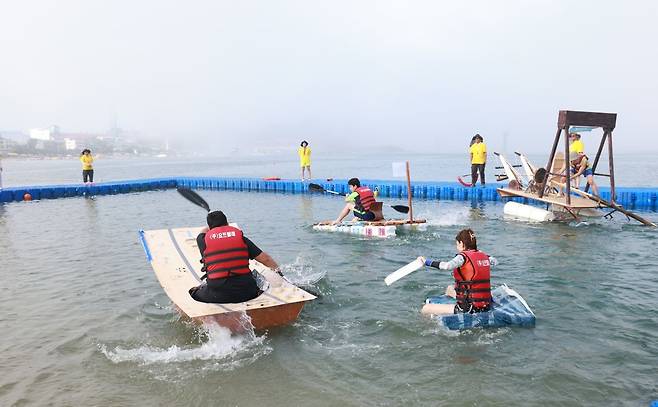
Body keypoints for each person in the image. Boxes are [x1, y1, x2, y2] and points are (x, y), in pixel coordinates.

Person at [189, 210, 282, 304]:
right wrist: (280, 273)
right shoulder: (241, 238)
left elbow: (203, 232)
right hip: (248, 293)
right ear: (227, 223)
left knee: (193, 292)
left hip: (217, 295)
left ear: (210, 227)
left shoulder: (203, 240)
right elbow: (266, 259)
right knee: (258, 278)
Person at [418, 229, 497, 316]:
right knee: (450, 288)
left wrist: (426, 262)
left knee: (426, 308)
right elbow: (495, 262)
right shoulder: (485, 256)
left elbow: (446, 266)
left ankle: (431, 325)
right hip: (486, 304)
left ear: (462, 244)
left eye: (457, 244)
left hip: (469, 308)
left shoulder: (462, 257)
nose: (457, 247)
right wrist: (483, 255)